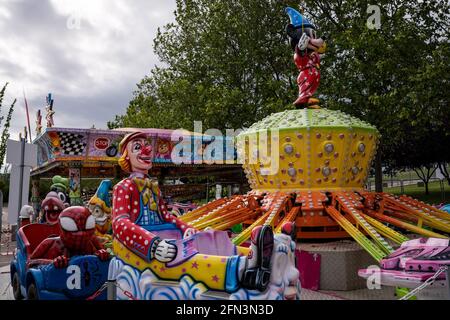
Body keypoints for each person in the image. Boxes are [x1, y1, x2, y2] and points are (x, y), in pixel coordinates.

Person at [112, 131, 275, 292]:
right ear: (127, 157)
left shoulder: (153, 188)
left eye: (146, 145)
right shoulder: (123, 187)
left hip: (166, 236)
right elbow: (119, 223)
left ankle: (251, 255)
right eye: (137, 147)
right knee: (186, 255)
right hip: (142, 246)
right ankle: (242, 270)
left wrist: (186, 228)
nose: (146, 150)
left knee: (206, 238)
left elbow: (166, 217)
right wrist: (152, 245)